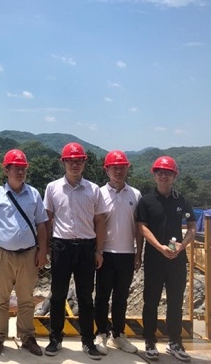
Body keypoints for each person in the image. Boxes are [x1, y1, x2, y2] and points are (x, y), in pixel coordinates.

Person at [43, 142, 107, 360]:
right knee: (58, 295)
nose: (74, 164)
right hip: (61, 246)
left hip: (87, 247)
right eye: (70, 160)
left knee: (86, 297)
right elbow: (47, 220)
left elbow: (100, 221)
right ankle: (55, 338)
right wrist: (46, 247)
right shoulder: (52, 188)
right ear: (63, 162)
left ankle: (88, 341)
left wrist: (99, 250)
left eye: (79, 160)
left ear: (84, 163)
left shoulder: (93, 189)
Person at [0, 149, 49, 358]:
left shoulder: (34, 194)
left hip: (29, 254)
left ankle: (27, 336)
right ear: (6, 170)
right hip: (2, 254)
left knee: (26, 298)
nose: (20, 172)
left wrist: (42, 251)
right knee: (0, 299)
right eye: (16, 168)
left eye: (23, 169)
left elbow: (42, 225)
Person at [137, 156, 196, 362]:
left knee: (175, 302)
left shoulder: (182, 201)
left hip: (177, 259)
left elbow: (192, 227)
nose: (164, 176)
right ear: (154, 176)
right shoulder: (146, 201)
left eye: (168, 173)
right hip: (154, 258)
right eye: (160, 172)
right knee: (150, 301)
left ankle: (175, 342)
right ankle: (150, 341)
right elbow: (142, 227)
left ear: (174, 176)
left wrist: (182, 245)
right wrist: (159, 247)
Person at [93, 150, 142, 355]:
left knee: (121, 297)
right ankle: (101, 333)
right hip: (105, 253)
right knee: (102, 296)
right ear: (107, 170)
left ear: (127, 169)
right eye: (114, 168)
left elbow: (139, 227)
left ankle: (118, 335)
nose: (118, 171)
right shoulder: (98, 194)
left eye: (122, 167)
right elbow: (94, 224)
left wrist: (138, 253)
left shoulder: (135, 194)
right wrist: (97, 251)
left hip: (127, 253)